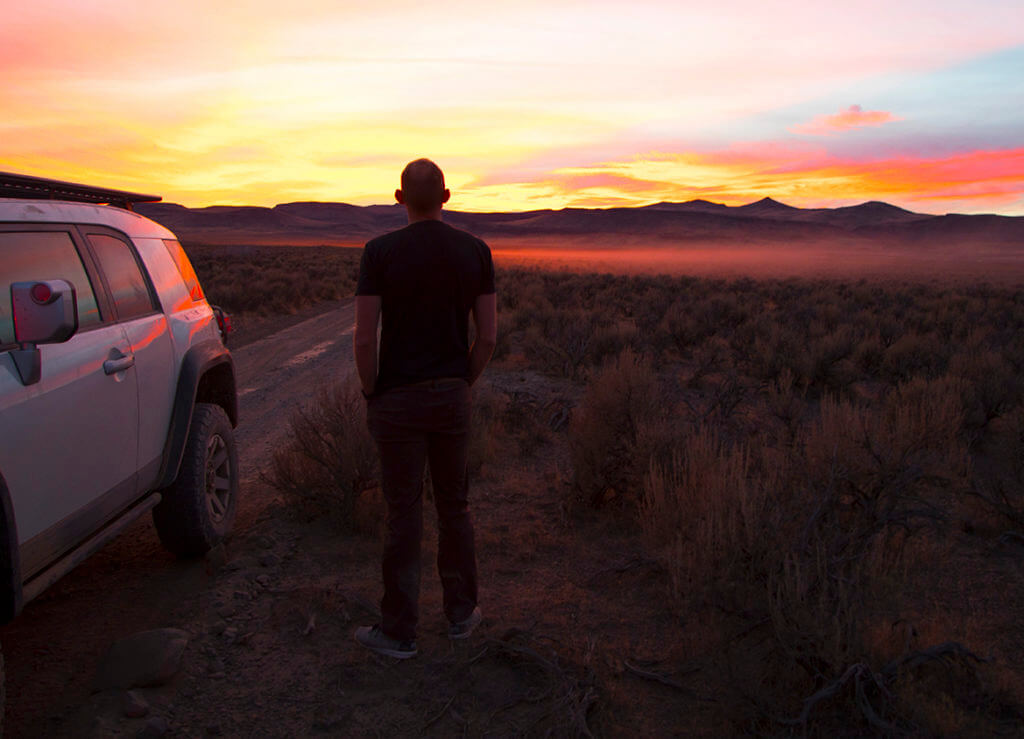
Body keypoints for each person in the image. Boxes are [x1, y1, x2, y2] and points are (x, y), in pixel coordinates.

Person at [352, 158, 497, 659]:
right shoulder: (476, 251)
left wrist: (372, 390)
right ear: (447, 196)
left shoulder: (379, 252)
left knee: (403, 512)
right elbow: (488, 336)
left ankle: (399, 632)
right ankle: (461, 615)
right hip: (451, 395)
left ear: (398, 198)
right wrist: (463, 380)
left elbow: (364, 336)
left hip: (396, 401)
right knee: (454, 506)